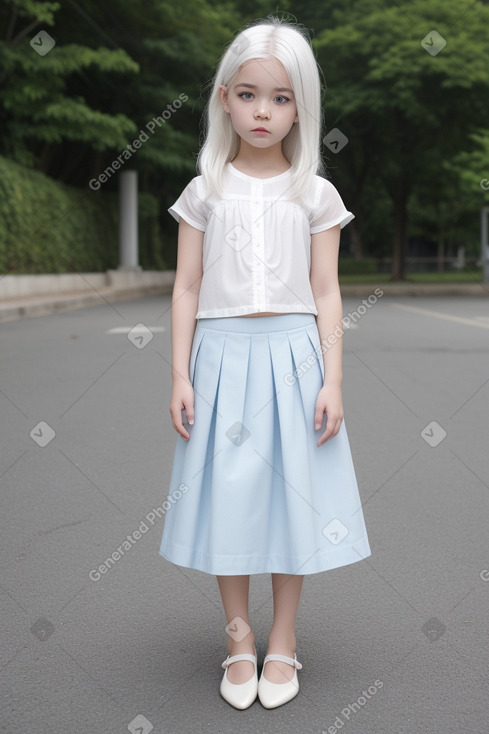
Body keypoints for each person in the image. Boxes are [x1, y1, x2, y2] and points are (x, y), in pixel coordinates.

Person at [159, 15, 371, 710]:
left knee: (289, 502)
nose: (262, 111)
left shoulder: (314, 193)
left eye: (280, 98)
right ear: (224, 98)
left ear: (300, 108)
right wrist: (181, 374)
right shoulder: (204, 190)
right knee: (229, 502)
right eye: (248, 94)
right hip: (220, 360)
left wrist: (332, 379)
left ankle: (282, 641)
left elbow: (326, 290)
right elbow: (186, 287)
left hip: (294, 359)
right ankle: (238, 640)